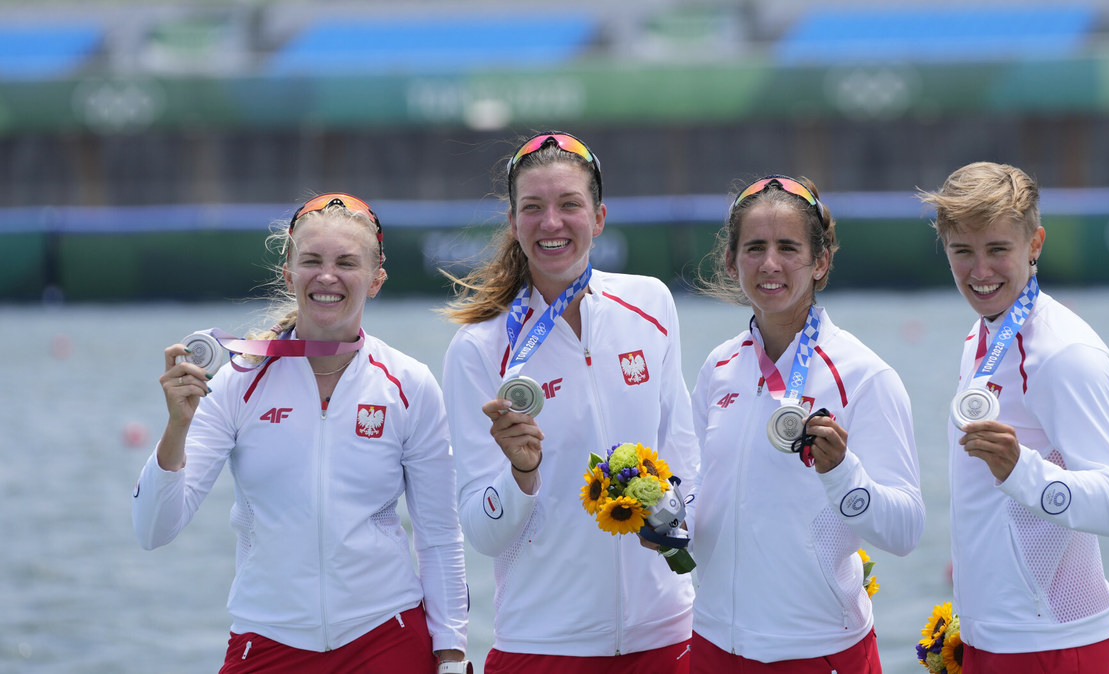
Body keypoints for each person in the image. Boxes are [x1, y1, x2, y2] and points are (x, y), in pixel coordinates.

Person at [132, 193, 470, 674]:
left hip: (385, 638)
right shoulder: (237, 382)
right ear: (289, 273)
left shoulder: (409, 383)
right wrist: (177, 424)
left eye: (346, 263)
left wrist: (452, 652)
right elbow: (152, 531)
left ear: (376, 280)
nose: (327, 276)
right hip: (267, 641)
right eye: (311, 261)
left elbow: (439, 535)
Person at [440, 131, 699, 674]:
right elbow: (482, 533)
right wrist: (520, 473)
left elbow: (685, 461)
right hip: (543, 645)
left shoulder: (651, 303)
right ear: (513, 223)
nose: (551, 223)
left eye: (569, 205)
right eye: (532, 208)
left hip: (668, 635)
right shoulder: (479, 349)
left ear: (599, 217)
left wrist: (676, 519)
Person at [688, 175, 925, 673]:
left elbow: (905, 530)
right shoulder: (718, 367)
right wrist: (663, 519)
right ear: (732, 262)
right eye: (754, 247)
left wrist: (842, 473)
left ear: (820, 261)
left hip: (818, 652)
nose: (769, 264)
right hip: (712, 644)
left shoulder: (864, 376)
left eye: (788, 248)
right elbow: (697, 492)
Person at [918, 162, 1109, 673]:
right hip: (990, 634)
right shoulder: (981, 334)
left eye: (998, 249)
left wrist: (1022, 471)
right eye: (962, 252)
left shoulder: (1066, 353)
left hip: (1056, 641)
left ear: (1035, 243)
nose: (980, 271)